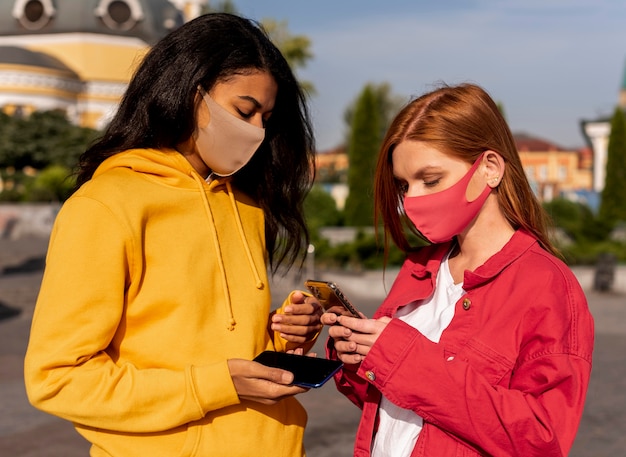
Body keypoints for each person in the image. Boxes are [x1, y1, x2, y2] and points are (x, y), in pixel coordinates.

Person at [24, 13, 323, 457]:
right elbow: (57, 379)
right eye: (244, 110)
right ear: (190, 92)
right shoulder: (107, 205)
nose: (257, 131)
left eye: (266, 117)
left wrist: (287, 338)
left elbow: (223, 348)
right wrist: (211, 385)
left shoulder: (245, 203)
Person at [321, 83, 594, 456]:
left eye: (430, 179)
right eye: (403, 185)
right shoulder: (419, 268)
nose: (412, 199)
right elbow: (391, 410)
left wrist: (406, 360)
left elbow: (542, 438)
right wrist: (355, 354)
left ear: (490, 168)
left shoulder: (547, 285)